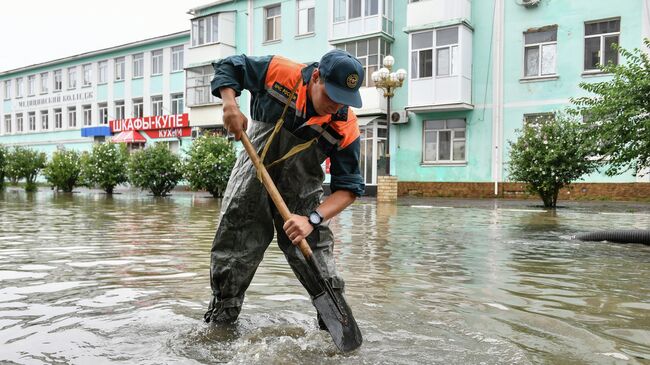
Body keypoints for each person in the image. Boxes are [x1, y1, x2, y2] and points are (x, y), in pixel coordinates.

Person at [203, 49, 365, 329]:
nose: (335, 105)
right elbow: (229, 66)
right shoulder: (280, 72)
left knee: (321, 269)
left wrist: (311, 220)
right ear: (316, 77)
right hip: (251, 182)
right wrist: (230, 104)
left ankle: (334, 329)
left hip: (302, 199)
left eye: (343, 100)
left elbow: (348, 189)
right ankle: (220, 327)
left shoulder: (344, 125)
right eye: (331, 95)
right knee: (232, 258)